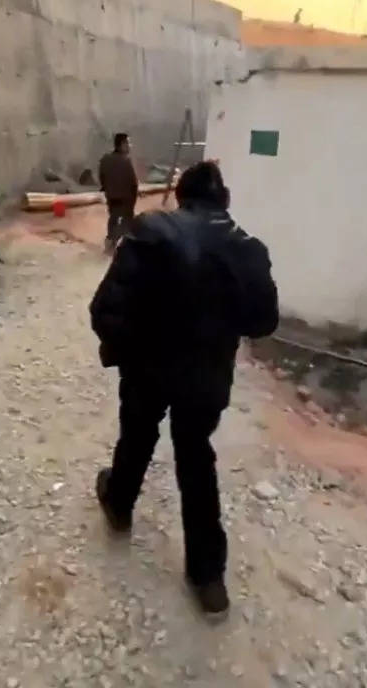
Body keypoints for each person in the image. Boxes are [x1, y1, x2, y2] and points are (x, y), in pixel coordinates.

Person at [88, 160, 279, 619]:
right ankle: (208, 578)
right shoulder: (249, 249)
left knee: (137, 436)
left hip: (149, 368)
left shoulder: (152, 230)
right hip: (207, 378)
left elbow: (104, 308)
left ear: (181, 196)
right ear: (224, 200)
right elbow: (264, 322)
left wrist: (124, 346)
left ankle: (118, 504)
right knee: (195, 458)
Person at [98, 133, 140, 252]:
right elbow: (133, 183)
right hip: (125, 199)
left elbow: (102, 177)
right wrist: (133, 201)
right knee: (127, 223)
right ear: (122, 145)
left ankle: (110, 240)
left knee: (113, 218)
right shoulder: (126, 161)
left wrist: (106, 189)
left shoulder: (105, 159)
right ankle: (117, 243)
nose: (130, 146)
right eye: (128, 143)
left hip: (111, 197)